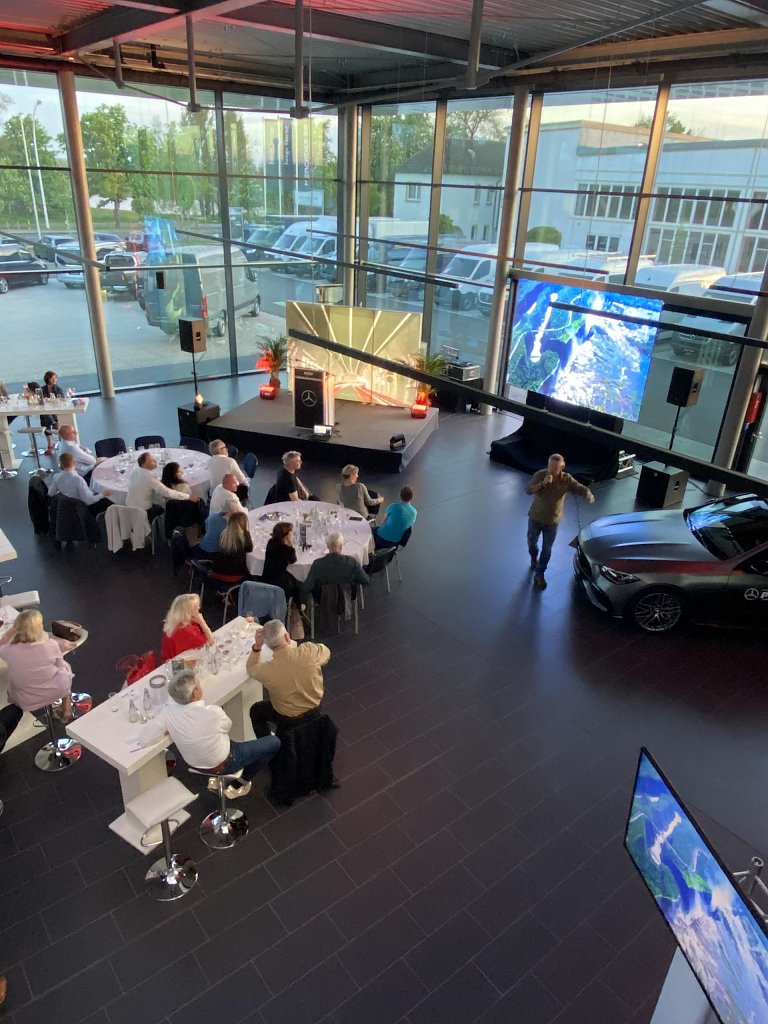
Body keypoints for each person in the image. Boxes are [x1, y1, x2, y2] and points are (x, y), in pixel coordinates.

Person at [165, 669, 280, 798]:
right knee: (274, 742)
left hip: (194, 764)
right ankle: (241, 782)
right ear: (195, 692)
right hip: (225, 762)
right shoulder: (213, 713)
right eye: (199, 684)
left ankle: (218, 777)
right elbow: (228, 726)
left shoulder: (168, 712)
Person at [526, 453, 595, 591]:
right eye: (550, 467)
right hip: (535, 518)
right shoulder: (540, 475)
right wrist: (543, 484)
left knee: (547, 549)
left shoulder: (566, 479)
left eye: (555, 468)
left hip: (552, 521)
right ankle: (533, 555)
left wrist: (588, 494)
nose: (552, 470)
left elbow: (578, 487)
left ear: (562, 467)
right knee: (532, 542)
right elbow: (528, 490)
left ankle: (540, 574)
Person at [246, 619, 330, 726]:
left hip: (289, 719)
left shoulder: (266, 670)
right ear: (286, 636)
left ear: (267, 645)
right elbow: (326, 653)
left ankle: (267, 736)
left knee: (256, 710)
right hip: (315, 710)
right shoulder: (309, 651)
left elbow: (251, 668)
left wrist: (257, 647)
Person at [0, 610, 73, 722]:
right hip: (57, 690)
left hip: (25, 700)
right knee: (65, 669)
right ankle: (66, 708)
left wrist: (9, 633)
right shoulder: (50, 645)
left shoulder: (9, 650)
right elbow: (60, 664)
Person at [126, 451, 197, 519]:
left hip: (128, 506)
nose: (155, 461)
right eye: (152, 461)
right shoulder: (149, 477)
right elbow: (168, 493)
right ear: (144, 464)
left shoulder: (135, 471)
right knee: (163, 507)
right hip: (143, 510)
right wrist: (188, 497)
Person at [303, 532, 370, 596]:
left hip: (323, 598)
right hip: (347, 596)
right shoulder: (351, 562)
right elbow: (366, 580)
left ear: (328, 546)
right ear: (341, 546)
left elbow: (307, 587)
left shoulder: (317, 564)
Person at [48, 452, 113, 516]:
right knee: (109, 501)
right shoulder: (78, 479)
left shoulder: (56, 477)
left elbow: (50, 493)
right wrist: (103, 494)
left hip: (66, 510)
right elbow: (89, 501)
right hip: (81, 509)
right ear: (73, 463)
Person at [161, 593, 214, 662]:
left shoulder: (173, 624)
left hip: (173, 662)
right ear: (188, 612)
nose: (198, 608)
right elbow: (210, 642)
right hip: (185, 663)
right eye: (195, 607)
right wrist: (202, 622)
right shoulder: (187, 631)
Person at [211, 511, 253, 583]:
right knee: (252, 574)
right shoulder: (244, 536)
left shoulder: (224, 534)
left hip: (216, 573)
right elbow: (249, 548)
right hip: (234, 576)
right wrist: (247, 532)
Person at [261, 521, 299, 601]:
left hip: (267, 577)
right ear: (287, 535)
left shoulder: (271, 542)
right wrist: (290, 543)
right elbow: (293, 560)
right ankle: (298, 603)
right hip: (280, 582)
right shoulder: (287, 550)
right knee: (298, 581)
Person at [41, 370, 64, 456]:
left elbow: (62, 400)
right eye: (52, 378)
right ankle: (54, 423)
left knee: (44, 416)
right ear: (47, 379)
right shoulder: (42, 389)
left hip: (56, 411)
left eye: (55, 378)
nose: (55, 380)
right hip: (47, 411)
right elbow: (40, 400)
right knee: (44, 415)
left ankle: (50, 444)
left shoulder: (58, 389)